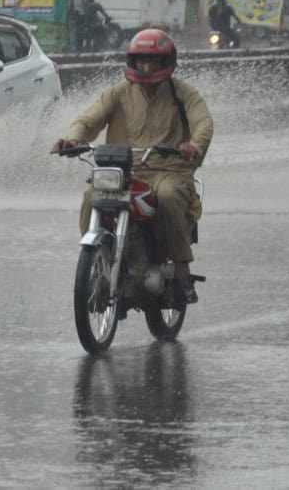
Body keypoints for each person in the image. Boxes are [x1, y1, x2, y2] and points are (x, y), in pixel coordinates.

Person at [52, 29, 214, 307]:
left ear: (167, 63)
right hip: (123, 170)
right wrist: (72, 139)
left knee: (166, 197)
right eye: (140, 61)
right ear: (132, 61)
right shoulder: (118, 93)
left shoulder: (182, 93)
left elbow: (203, 122)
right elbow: (88, 120)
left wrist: (194, 146)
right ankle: (99, 261)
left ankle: (182, 269)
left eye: (152, 61)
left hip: (169, 171)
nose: (146, 67)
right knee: (91, 197)